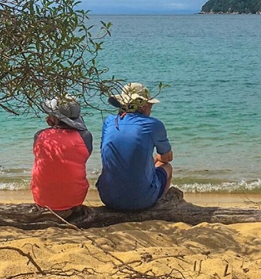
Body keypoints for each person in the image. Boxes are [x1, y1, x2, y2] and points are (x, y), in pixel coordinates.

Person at [96, 82, 173, 211]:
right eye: (150, 105)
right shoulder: (153, 125)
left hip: (107, 197)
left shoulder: (109, 122)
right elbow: (167, 158)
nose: (151, 109)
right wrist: (157, 159)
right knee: (167, 167)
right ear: (143, 106)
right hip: (141, 201)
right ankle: (158, 206)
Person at [31, 96, 93, 211]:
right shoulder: (85, 136)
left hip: (42, 199)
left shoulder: (39, 135)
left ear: (55, 117)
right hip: (75, 200)